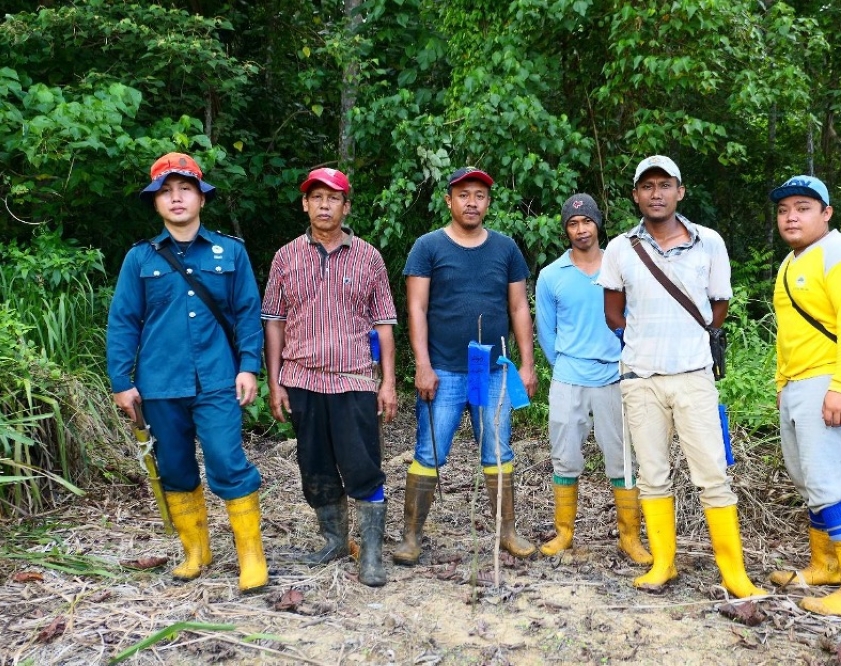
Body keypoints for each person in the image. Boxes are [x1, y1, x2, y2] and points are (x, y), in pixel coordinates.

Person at [597, 155, 764, 598]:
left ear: (680, 191)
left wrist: (691, 338)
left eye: (664, 185)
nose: (656, 193)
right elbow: (613, 310)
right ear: (636, 195)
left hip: (693, 375)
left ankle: (735, 574)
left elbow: (718, 306)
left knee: (712, 475)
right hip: (640, 378)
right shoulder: (619, 248)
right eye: (647, 186)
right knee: (652, 475)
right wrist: (643, 341)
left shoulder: (709, 242)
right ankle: (663, 563)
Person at [107, 152, 267, 593]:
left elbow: (248, 313)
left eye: (185, 189)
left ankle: (251, 556)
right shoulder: (140, 259)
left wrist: (249, 367)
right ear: (156, 203)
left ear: (201, 198)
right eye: (166, 191)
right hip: (160, 384)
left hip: (218, 378)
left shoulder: (229, 252)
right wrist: (122, 381)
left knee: (227, 462)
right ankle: (196, 551)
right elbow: (124, 321)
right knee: (174, 468)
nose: (176, 198)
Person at [393, 166, 537, 565]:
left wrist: (527, 364)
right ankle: (411, 536)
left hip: (494, 372)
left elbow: (519, 306)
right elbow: (416, 307)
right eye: (464, 194)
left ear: (489, 202)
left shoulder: (506, 248)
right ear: (449, 200)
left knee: (497, 449)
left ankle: (506, 531)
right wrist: (422, 364)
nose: (472, 202)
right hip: (445, 370)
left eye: (479, 195)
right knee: (430, 450)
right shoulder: (428, 247)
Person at [261, 167, 397, 588]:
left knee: (363, 466)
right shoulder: (285, 257)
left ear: (346, 206)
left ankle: (371, 552)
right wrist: (275, 380)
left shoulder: (369, 256)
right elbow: (274, 322)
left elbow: (385, 323)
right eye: (316, 197)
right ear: (305, 203)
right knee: (314, 466)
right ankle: (335, 540)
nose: (324, 204)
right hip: (301, 378)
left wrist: (388, 382)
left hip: (353, 378)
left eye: (333, 197)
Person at [768, 175, 841, 616]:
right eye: (783, 210)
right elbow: (787, 333)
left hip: (831, 381)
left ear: (827, 213)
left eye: (803, 207)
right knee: (811, 481)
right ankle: (826, 565)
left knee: (834, 483)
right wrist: (782, 385)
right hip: (798, 385)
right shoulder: (791, 262)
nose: (791, 216)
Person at [535, 193, 651, 564]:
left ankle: (629, 537)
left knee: (622, 458)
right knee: (565, 455)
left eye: (586, 222)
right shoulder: (552, 275)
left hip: (615, 375)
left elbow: (636, 319)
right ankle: (564, 532)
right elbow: (546, 332)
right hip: (569, 376)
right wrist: (564, 365)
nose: (580, 229)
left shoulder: (620, 267)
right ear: (565, 229)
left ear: (597, 224)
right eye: (572, 223)